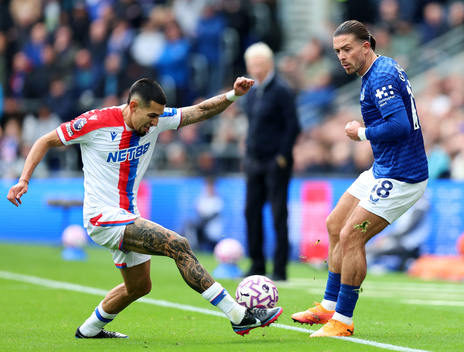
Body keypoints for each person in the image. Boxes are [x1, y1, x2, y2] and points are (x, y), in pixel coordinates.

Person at [6, 77, 282, 339]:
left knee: (139, 287)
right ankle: (238, 316)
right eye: (151, 116)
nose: (155, 123)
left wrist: (233, 94)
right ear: (133, 106)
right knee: (178, 244)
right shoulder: (95, 122)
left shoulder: (156, 119)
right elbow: (45, 140)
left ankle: (89, 330)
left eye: (159, 117)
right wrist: (23, 180)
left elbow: (199, 111)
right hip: (101, 216)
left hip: (128, 215)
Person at [291, 20, 428, 337]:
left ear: (367, 46)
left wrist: (361, 133)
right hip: (384, 166)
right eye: (337, 50)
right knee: (335, 225)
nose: (341, 56)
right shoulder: (378, 70)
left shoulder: (380, 77)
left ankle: (343, 319)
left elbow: (400, 125)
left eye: (347, 49)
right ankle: (328, 306)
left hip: (402, 174)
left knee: (352, 235)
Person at [241, 42, 301, 282]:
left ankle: (279, 268)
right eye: (251, 65)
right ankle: (256, 263)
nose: (255, 69)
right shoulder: (252, 92)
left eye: (259, 64)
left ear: (269, 64)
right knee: (251, 212)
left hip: (276, 163)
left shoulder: (282, 90)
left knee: (278, 214)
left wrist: (282, 156)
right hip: (254, 162)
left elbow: (294, 126)